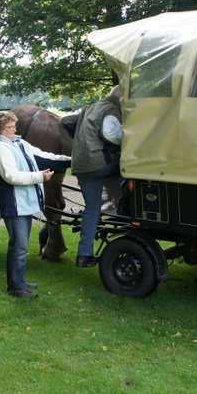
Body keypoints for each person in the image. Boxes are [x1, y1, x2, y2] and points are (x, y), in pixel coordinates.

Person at [0, 111, 71, 297]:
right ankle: (17, 288)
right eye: (9, 127)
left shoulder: (18, 143)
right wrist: (40, 177)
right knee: (20, 247)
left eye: (13, 126)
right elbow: (11, 176)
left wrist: (70, 160)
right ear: (0, 130)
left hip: (22, 204)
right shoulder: (0, 149)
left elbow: (44, 156)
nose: (14, 129)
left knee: (18, 246)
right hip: (13, 205)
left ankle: (18, 282)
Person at [72, 86, 123, 268]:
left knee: (91, 209)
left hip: (80, 165)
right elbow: (113, 136)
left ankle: (84, 255)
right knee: (132, 165)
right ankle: (123, 208)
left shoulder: (89, 107)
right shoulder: (112, 110)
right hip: (99, 165)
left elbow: (67, 121)